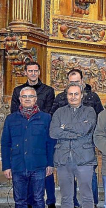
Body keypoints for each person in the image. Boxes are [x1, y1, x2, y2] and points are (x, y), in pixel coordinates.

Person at [50, 68, 103, 208]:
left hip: (84, 158)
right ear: (66, 95)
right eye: (70, 94)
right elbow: (53, 132)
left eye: (76, 94)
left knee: (87, 196)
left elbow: (86, 129)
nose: (73, 97)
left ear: (81, 95)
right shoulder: (59, 112)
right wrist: (76, 130)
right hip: (63, 158)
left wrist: (65, 126)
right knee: (66, 197)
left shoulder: (89, 111)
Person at [10, 62, 56, 208]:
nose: (33, 73)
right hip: (23, 133)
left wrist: (37, 121)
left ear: (39, 72)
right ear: (26, 72)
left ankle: (51, 202)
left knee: (42, 183)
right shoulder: (18, 90)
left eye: (36, 70)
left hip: (41, 132)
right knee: (24, 181)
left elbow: (49, 111)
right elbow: (14, 112)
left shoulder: (48, 90)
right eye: (30, 71)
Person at [1, 87, 55, 208]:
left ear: (35, 99)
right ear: (20, 99)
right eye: (24, 96)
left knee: (38, 199)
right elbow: (5, 144)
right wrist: (6, 166)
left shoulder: (46, 118)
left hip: (39, 166)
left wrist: (50, 164)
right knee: (20, 201)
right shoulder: (11, 119)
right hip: (18, 165)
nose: (27, 99)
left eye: (30, 96)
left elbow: (50, 143)